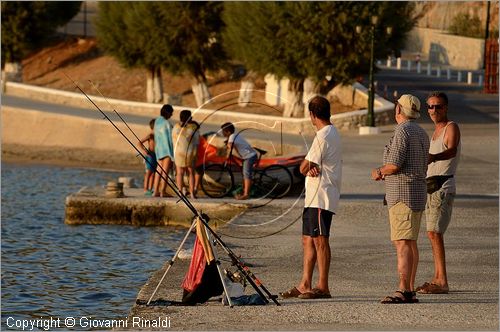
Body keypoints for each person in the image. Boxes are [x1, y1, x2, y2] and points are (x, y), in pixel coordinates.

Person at [280, 95, 342, 300]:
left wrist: (308, 167)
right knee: (308, 239)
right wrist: (311, 167)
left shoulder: (323, 135)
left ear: (312, 115)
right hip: (315, 197)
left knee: (320, 240)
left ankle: (323, 286)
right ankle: (305, 283)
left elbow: (302, 167)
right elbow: (312, 165)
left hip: (321, 196)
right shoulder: (331, 132)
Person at [371, 94, 429, 304]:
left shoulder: (402, 131)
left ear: (399, 110)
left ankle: (403, 289)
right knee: (410, 242)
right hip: (417, 193)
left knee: (402, 243)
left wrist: (379, 171)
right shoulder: (421, 132)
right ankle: (410, 289)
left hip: (402, 195)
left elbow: (394, 164)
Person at [416, 92, 461, 295]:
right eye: (431, 107)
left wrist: (433, 157)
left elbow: (451, 150)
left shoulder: (451, 127)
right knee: (432, 233)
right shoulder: (434, 132)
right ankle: (437, 277)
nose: (434, 110)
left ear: (446, 108)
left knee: (435, 233)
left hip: (443, 187)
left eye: (438, 106)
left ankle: (442, 281)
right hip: (430, 187)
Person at [221, 122, 257, 200]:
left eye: (223, 131)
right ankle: (244, 192)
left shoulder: (232, 136)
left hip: (249, 156)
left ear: (228, 132)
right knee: (244, 173)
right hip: (247, 156)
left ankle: (246, 194)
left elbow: (230, 145)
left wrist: (228, 146)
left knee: (246, 174)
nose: (222, 133)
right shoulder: (234, 136)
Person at [172, 110, 200, 199]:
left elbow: (173, 139)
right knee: (190, 173)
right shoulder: (193, 127)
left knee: (179, 173)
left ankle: (180, 193)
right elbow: (197, 141)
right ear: (190, 117)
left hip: (178, 153)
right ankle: (192, 194)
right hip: (190, 153)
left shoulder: (176, 127)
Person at [152, 104, 174, 197]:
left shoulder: (157, 121)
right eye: (171, 113)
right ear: (168, 113)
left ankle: (155, 191)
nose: (171, 115)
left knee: (158, 171)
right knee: (165, 172)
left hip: (158, 150)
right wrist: (172, 153)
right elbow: (171, 138)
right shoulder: (167, 124)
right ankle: (163, 191)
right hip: (167, 150)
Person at [137, 118, 156, 196]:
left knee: (154, 173)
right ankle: (145, 189)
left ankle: (150, 189)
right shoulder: (150, 135)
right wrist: (144, 151)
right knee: (148, 173)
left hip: (156, 155)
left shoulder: (159, 136)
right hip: (150, 155)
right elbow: (139, 143)